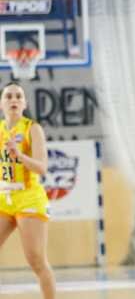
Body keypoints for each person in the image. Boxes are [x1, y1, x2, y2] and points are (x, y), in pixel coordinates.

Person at [0, 81, 56, 299]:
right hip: (4, 197)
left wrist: (20, 155)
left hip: (28, 197)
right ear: (1, 103)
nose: (13, 100)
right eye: (8, 96)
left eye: (18, 96)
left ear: (24, 103)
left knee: (36, 260)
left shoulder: (33, 128)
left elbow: (42, 168)